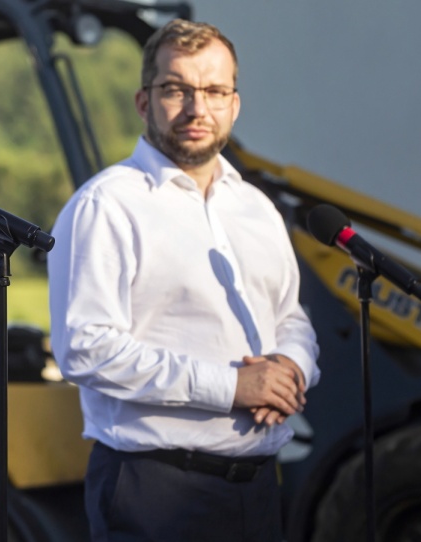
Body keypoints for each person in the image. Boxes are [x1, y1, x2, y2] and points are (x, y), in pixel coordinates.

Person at [47, 18, 320, 542]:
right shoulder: (106, 206)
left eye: (215, 91)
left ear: (234, 106)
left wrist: (291, 367)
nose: (198, 109)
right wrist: (234, 386)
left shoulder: (256, 208)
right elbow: (84, 348)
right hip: (155, 490)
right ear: (144, 102)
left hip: (259, 487)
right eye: (177, 90)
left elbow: (288, 315)